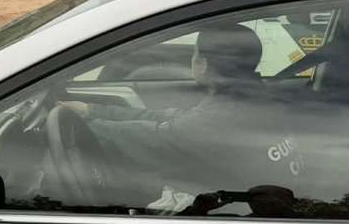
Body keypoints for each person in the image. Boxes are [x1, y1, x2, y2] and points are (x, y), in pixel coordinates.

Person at [58, 24, 303, 212]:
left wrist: (81, 125)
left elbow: (147, 136)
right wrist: (91, 111)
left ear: (203, 64)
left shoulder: (217, 119)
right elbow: (170, 119)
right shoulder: (257, 100)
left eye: (194, 54)